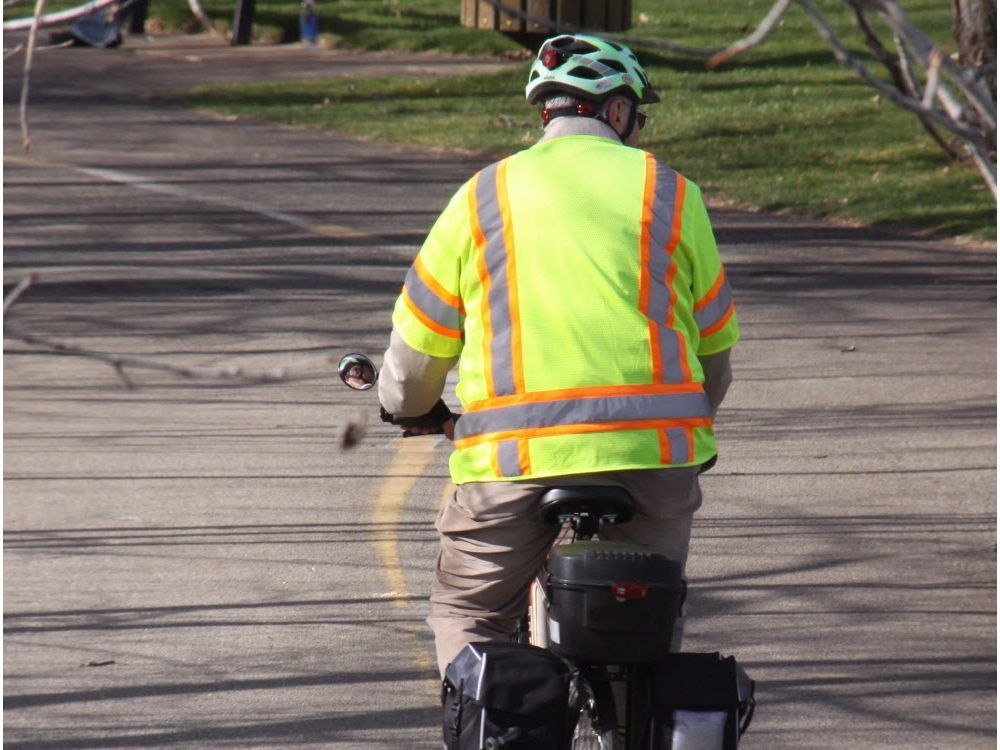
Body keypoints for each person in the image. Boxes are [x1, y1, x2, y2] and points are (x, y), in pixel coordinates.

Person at [377, 33, 740, 676]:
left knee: (472, 611)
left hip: (513, 462)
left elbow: (411, 367)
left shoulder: (483, 195)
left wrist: (410, 406)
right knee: (645, 617)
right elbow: (714, 359)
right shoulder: (671, 191)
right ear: (619, 112)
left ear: (546, 109)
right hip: (653, 458)